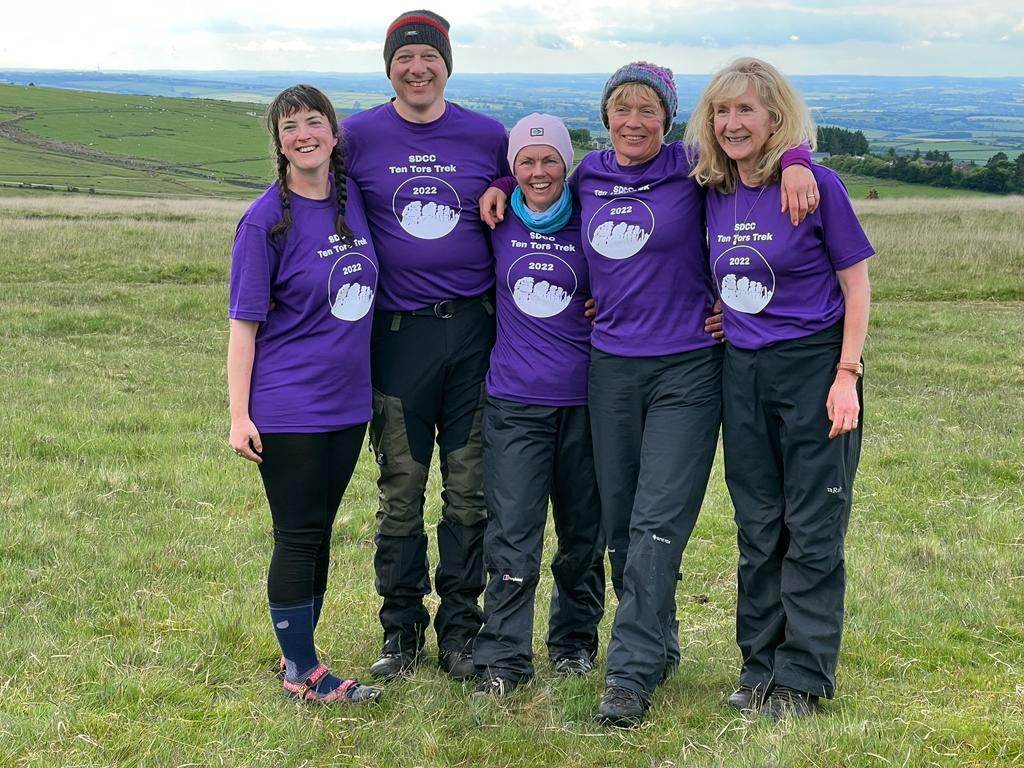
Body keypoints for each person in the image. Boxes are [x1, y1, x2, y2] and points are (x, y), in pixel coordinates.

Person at [480, 61, 819, 726]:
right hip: (610, 370)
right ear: (605, 117)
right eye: (622, 109)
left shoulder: (694, 167)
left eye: (647, 111)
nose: (633, 122)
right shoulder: (588, 175)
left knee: (657, 525)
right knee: (620, 529)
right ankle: (659, 646)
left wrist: (800, 160)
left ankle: (628, 676)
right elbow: (535, 182)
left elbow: (757, 149)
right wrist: (499, 181)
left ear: (667, 118)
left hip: (686, 371)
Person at [685, 57, 872, 719]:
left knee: (813, 525)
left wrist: (846, 374)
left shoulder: (816, 184)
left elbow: (856, 286)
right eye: (722, 111)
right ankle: (758, 666)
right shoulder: (712, 186)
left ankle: (803, 678)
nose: (732, 123)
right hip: (742, 370)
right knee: (759, 525)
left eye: (747, 110)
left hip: (814, 366)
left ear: (774, 118)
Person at [342, 10, 510, 682]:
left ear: (447, 65)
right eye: (404, 58)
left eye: (429, 57)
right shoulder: (356, 136)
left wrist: (502, 183)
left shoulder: (487, 135)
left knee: (470, 489)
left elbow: (534, 185)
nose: (417, 69)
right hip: (397, 336)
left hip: (473, 333)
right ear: (389, 68)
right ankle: (401, 629)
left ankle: (462, 630)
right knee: (402, 486)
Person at [227, 84, 381, 705]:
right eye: (289, 127)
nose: (303, 135)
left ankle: (302, 656)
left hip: (348, 403)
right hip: (290, 404)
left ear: (333, 134)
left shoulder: (353, 199)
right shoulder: (264, 221)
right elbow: (244, 327)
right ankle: (302, 672)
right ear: (279, 142)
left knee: (318, 531)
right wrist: (239, 415)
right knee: (296, 533)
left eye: (313, 122)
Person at [470, 114, 605, 698]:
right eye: (525, 161)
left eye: (550, 159)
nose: (539, 171)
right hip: (515, 402)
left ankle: (574, 644)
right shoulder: (496, 217)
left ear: (567, 164)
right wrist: (499, 184)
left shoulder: (592, 215)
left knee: (583, 534)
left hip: (587, 401)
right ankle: (504, 656)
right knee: (512, 533)